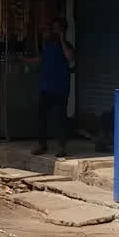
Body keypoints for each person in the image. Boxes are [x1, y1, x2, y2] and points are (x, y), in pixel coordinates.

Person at [34, 18, 75, 158]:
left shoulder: (67, 46)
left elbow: (70, 59)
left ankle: (61, 146)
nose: (55, 31)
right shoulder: (48, 45)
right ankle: (42, 144)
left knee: (60, 119)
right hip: (46, 87)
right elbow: (41, 60)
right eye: (54, 29)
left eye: (58, 29)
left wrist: (62, 40)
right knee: (41, 117)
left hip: (60, 88)